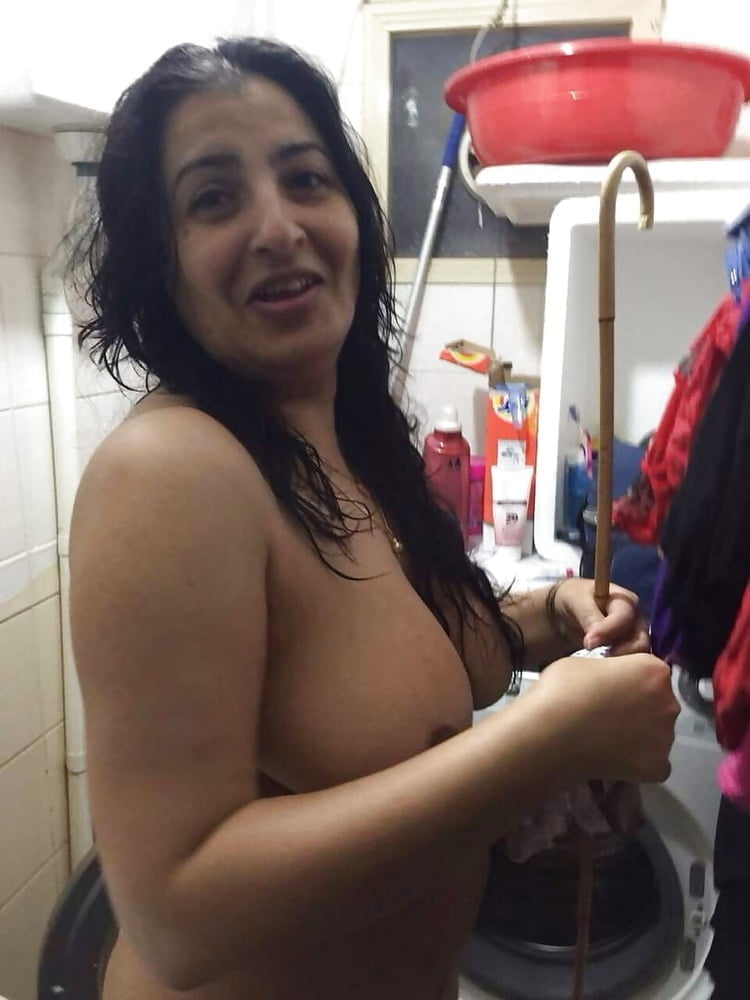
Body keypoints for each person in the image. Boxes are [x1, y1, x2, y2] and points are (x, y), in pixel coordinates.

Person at [67, 36, 679, 1000]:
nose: (278, 227)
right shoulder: (172, 472)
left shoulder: (346, 444)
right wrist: (550, 742)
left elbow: (394, 655)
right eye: (215, 199)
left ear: (352, 212)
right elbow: (176, 915)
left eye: (305, 179)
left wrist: (548, 617)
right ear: (160, 259)